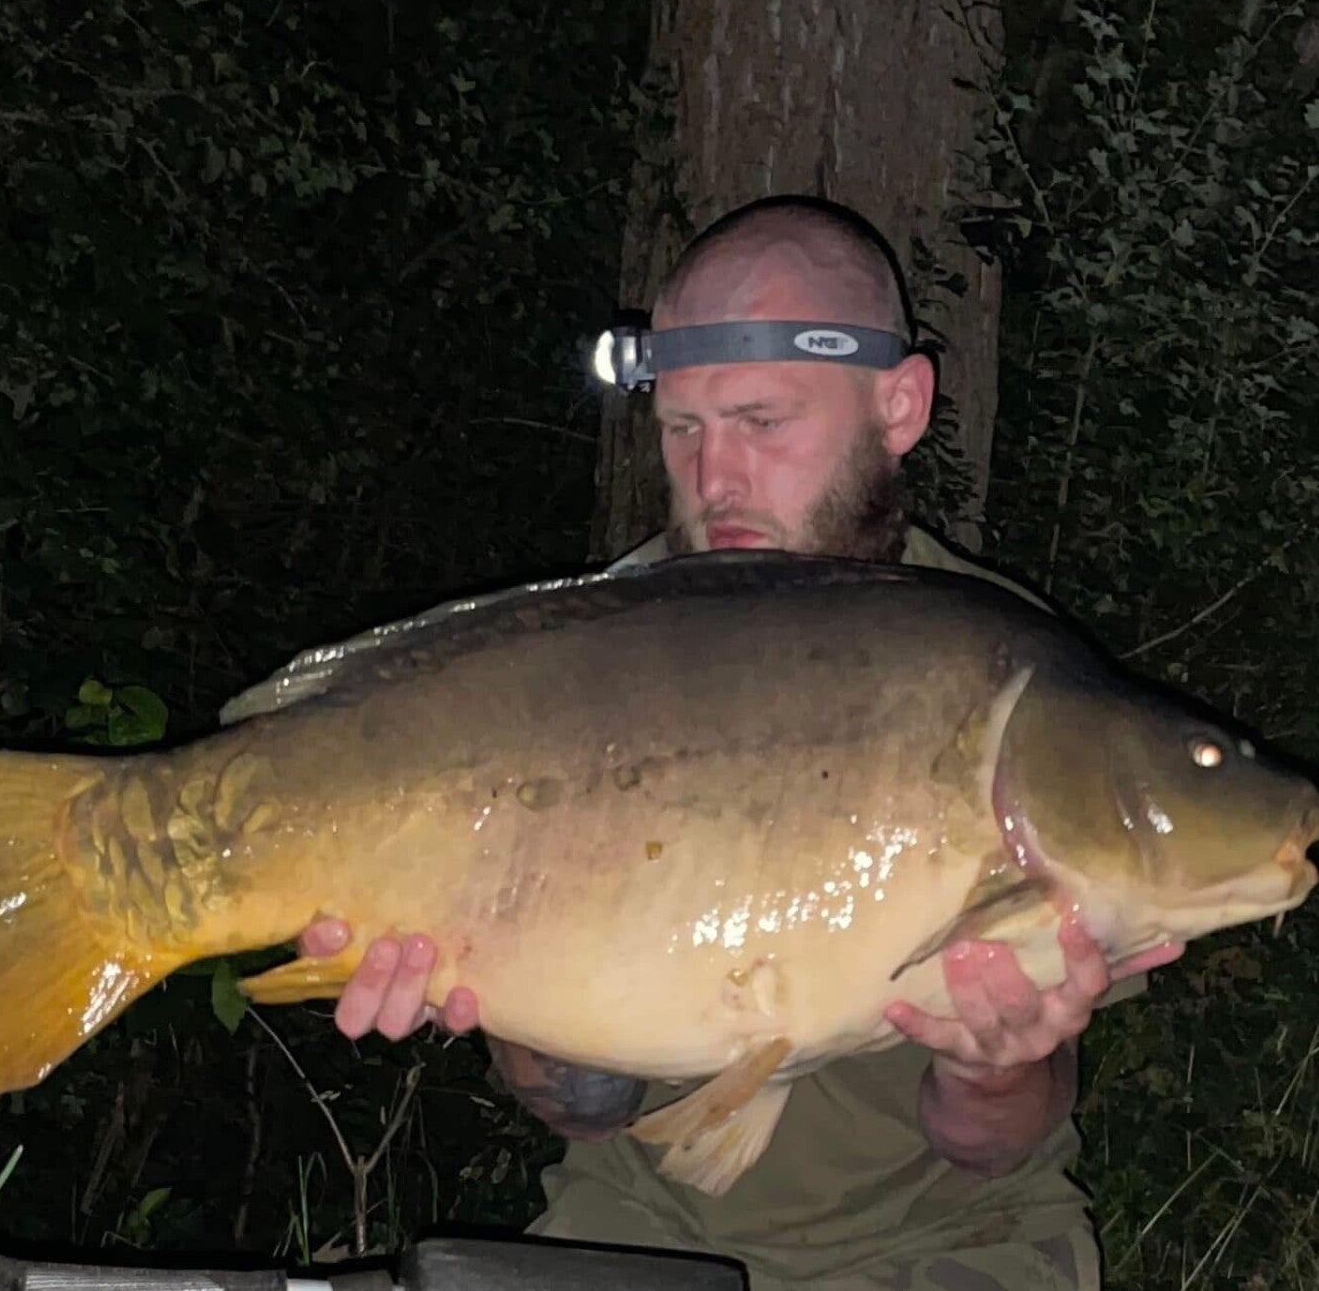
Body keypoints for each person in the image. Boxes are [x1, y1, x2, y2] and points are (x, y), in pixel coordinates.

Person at [289, 196, 1182, 1290]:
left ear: (898, 405)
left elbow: (992, 1146)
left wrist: (991, 1068)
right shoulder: (582, 660)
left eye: (762, 422)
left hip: (949, 1243)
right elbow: (588, 1110)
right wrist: (485, 982)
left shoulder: (1011, 676)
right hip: (634, 1225)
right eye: (683, 429)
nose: (716, 479)